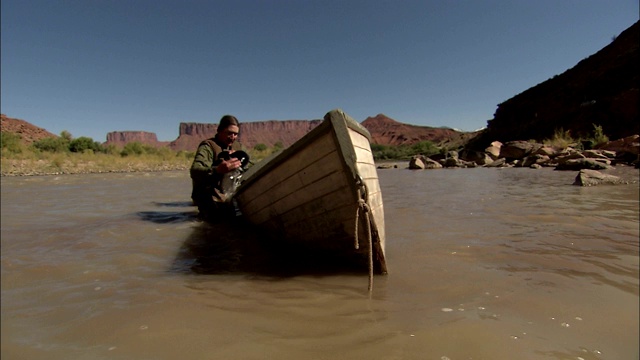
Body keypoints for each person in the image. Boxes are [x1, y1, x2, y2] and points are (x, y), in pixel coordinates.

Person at [190, 115, 245, 221]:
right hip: (208, 199)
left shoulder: (238, 147)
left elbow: (252, 165)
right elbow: (195, 171)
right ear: (219, 131)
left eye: (235, 134)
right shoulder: (208, 146)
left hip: (229, 197)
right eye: (229, 133)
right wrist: (217, 170)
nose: (233, 137)